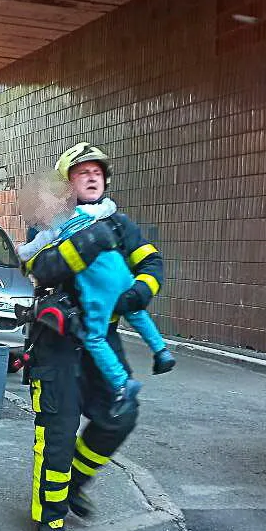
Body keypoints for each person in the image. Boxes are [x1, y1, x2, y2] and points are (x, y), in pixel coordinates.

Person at [21, 142, 166, 531]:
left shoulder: (121, 224)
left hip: (104, 342)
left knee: (120, 418)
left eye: (97, 172)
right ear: (67, 184)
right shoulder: (49, 224)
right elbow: (42, 267)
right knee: (58, 433)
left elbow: (151, 264)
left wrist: (140, 291)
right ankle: (50, 516)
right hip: (58, 345)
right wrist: (89, 241)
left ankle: (75, 484)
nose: (91, 177)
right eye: (81, 172)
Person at [17, 176, 174, 418]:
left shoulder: (51, 229)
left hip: (96, 280)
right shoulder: (89, 211)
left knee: (94, 338)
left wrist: (20, 251)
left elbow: (29, 252)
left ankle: (123, 384)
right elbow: (108, 207)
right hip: (118, 268)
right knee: (136, 313)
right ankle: (161, 351)